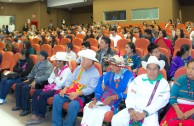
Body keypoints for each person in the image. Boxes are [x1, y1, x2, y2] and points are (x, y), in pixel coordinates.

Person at [112, 56, 170, 126]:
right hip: (133, 110)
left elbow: (161, 101)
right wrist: (131, 110)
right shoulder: (139, 79)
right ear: (146, 69)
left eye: (155, 69)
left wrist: (144, 113)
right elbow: (131, 95)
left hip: (150, 113)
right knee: (116, 119)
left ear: (158, 70)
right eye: (149, 69)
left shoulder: (163, 83)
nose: (152, 72)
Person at [81, 55, 134, 126]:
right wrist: (95, 100)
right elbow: (101, 87)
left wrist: (113, 97)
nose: (110, 67)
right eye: (110, 64)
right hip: (102, 99)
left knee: (97, 112)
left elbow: (127, 93)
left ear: (119, 66)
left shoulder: (129, 75)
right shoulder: (109, 74)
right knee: (88, 108)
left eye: (112, 65)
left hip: (116, 101)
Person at [51, 49, 100, 126]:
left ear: (91, 61)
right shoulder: (79, 68)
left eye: (84, 59)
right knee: (57, 98)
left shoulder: (95, 74)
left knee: (74, 105)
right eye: (82, 59)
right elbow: (70, 79)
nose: (81, 61)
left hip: (82, 95)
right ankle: (56, 124)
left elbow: (91, 89)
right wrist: (65, 88)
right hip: (71, 90)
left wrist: (77, 93)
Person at [25, 52, 72, 125]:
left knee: (42, 95)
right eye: (56, 61)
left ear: (63, 62)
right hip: (51, 87)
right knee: (36, 92)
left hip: (59, 90)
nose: (56, 63)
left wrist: (56, 76)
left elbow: (60, 85)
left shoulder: (67, 71)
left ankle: (41, 115)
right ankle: (34, 113)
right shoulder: (56, 68)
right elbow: (50, 80)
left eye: (58, 61)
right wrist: (56, 79)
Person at [12, 50, 53, 116]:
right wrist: (28, 78)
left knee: (25, 88)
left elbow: (46, 76)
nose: (37, 56)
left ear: (43, 57)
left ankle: (26, 109)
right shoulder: (38, 63)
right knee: (18, 86)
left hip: (40, 82)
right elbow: (32, 72)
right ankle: (19, 105)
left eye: (39, 55)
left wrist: (36, 81)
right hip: (33, 80)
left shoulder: (49, 65)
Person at [160, 59, 194, 126]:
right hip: (177, 108)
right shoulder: (180, 79)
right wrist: (178, 111)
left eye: (193, 69)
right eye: (188, 68)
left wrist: (190, 112)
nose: (189, 71)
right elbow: (172, 97)